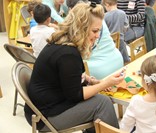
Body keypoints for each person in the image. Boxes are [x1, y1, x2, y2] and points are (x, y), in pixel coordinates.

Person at [25, 2, 124, 132]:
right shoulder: (67, 53)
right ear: (81, 27)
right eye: (94, 31)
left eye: (99, 31)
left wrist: (91, 81)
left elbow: (70, 76)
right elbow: (75, 95)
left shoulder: (64, 43)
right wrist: (104, 84)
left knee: (97, 97)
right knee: (102, 103)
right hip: (45, 116)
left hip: (46, 105)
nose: (97, 36)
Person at [67, 0, 124, 80]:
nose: (97, 36)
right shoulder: (97, 18)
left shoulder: (83, 24)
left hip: (100, 69)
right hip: (117, 60)